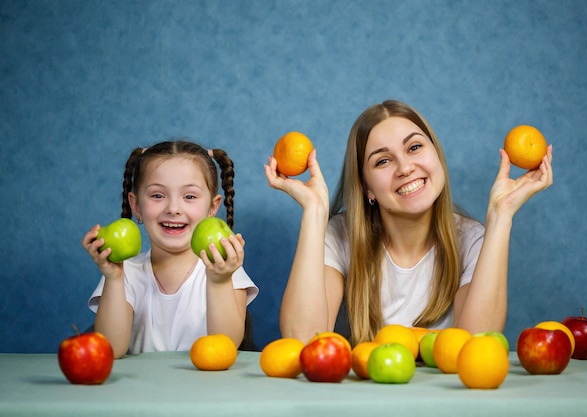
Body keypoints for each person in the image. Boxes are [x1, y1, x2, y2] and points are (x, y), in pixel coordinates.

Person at [265, 100, 553, 345]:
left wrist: (501, 216)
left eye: (414, 147)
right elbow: (302, 341)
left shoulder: (471, 239)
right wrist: (315, 211)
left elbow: (476, 346)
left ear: (436, 155)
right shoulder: (340, 236)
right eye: (382, 161)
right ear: (367, 188)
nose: (405, 168)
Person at [83, 140, 258, 358]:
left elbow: (226, 344)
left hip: (206, 390)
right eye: (157, 195)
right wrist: (113, 278)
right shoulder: (125, 271)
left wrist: (219, 281)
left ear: (213, 207)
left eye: (189, 196)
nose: (173, 208)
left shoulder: (224, 268)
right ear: (136, 205)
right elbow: (110, 349)